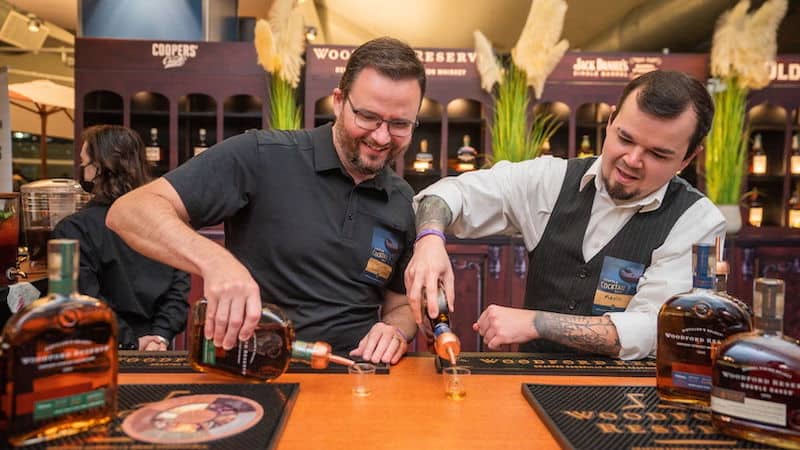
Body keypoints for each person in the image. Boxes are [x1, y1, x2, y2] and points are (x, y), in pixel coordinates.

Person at [107, 37, 422, 364]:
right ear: (339, 102)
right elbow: (130, 211)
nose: (382, 136)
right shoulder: (262, 156)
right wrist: (216, 262)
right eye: (368, 117)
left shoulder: (401, 199)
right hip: (255, 369)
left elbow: (400, 305)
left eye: (399, 124)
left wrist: (395, 330)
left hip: (356, 378)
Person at [405, 70, 725, 360]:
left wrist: (538, 323)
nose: (632, 160)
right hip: (533, 384)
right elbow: (451, 193)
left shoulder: (697, 222)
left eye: (658, 153)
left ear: (688, 157)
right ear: (611, 121)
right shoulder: (552, 180)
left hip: (629, 394)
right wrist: (430, 239)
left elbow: (656, 328)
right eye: (625, 138)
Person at [53, 125, 190, 351]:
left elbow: (83, 300)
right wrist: (160, 336)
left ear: (98, 168)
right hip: (157, 349)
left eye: (84, 164)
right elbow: (179, 290)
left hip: (99, 350)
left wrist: (130, 341)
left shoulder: (73, 229)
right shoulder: (170, 221)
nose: (81, 170)